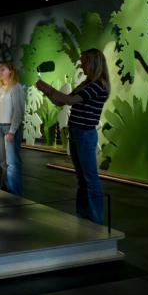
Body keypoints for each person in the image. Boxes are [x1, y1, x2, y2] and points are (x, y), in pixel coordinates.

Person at [35, 49, 109, 224]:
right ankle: (84, 217)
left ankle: (95, 219)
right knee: (82, 178)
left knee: (89, 179)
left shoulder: (98, 85)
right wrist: (47, 91)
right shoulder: (87, 83)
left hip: (84, 134)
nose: (82, 65)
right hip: (77, 133)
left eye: (84, 62)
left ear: (94, 63)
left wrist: (47, 88)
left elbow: (70, 101)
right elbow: (62, 101)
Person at [0, 62, 24, 195]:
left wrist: (12, 131)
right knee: (3, 162)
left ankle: (14, 192)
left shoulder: (16, 88)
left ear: (11, 71)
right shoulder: (1, 89)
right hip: (0, 129)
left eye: (3, 69)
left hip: (10, 128)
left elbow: (18, 112)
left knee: (12, 163)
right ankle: (5, 189)